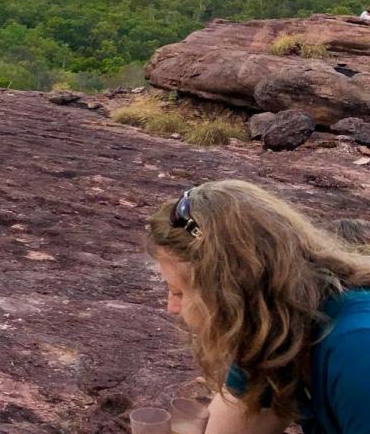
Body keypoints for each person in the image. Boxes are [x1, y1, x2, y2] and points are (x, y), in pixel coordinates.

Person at [146, 180, 370, 433]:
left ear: (230, 292)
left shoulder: (357, 351)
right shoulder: (274, 332)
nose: (171, 308)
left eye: (178, 292)